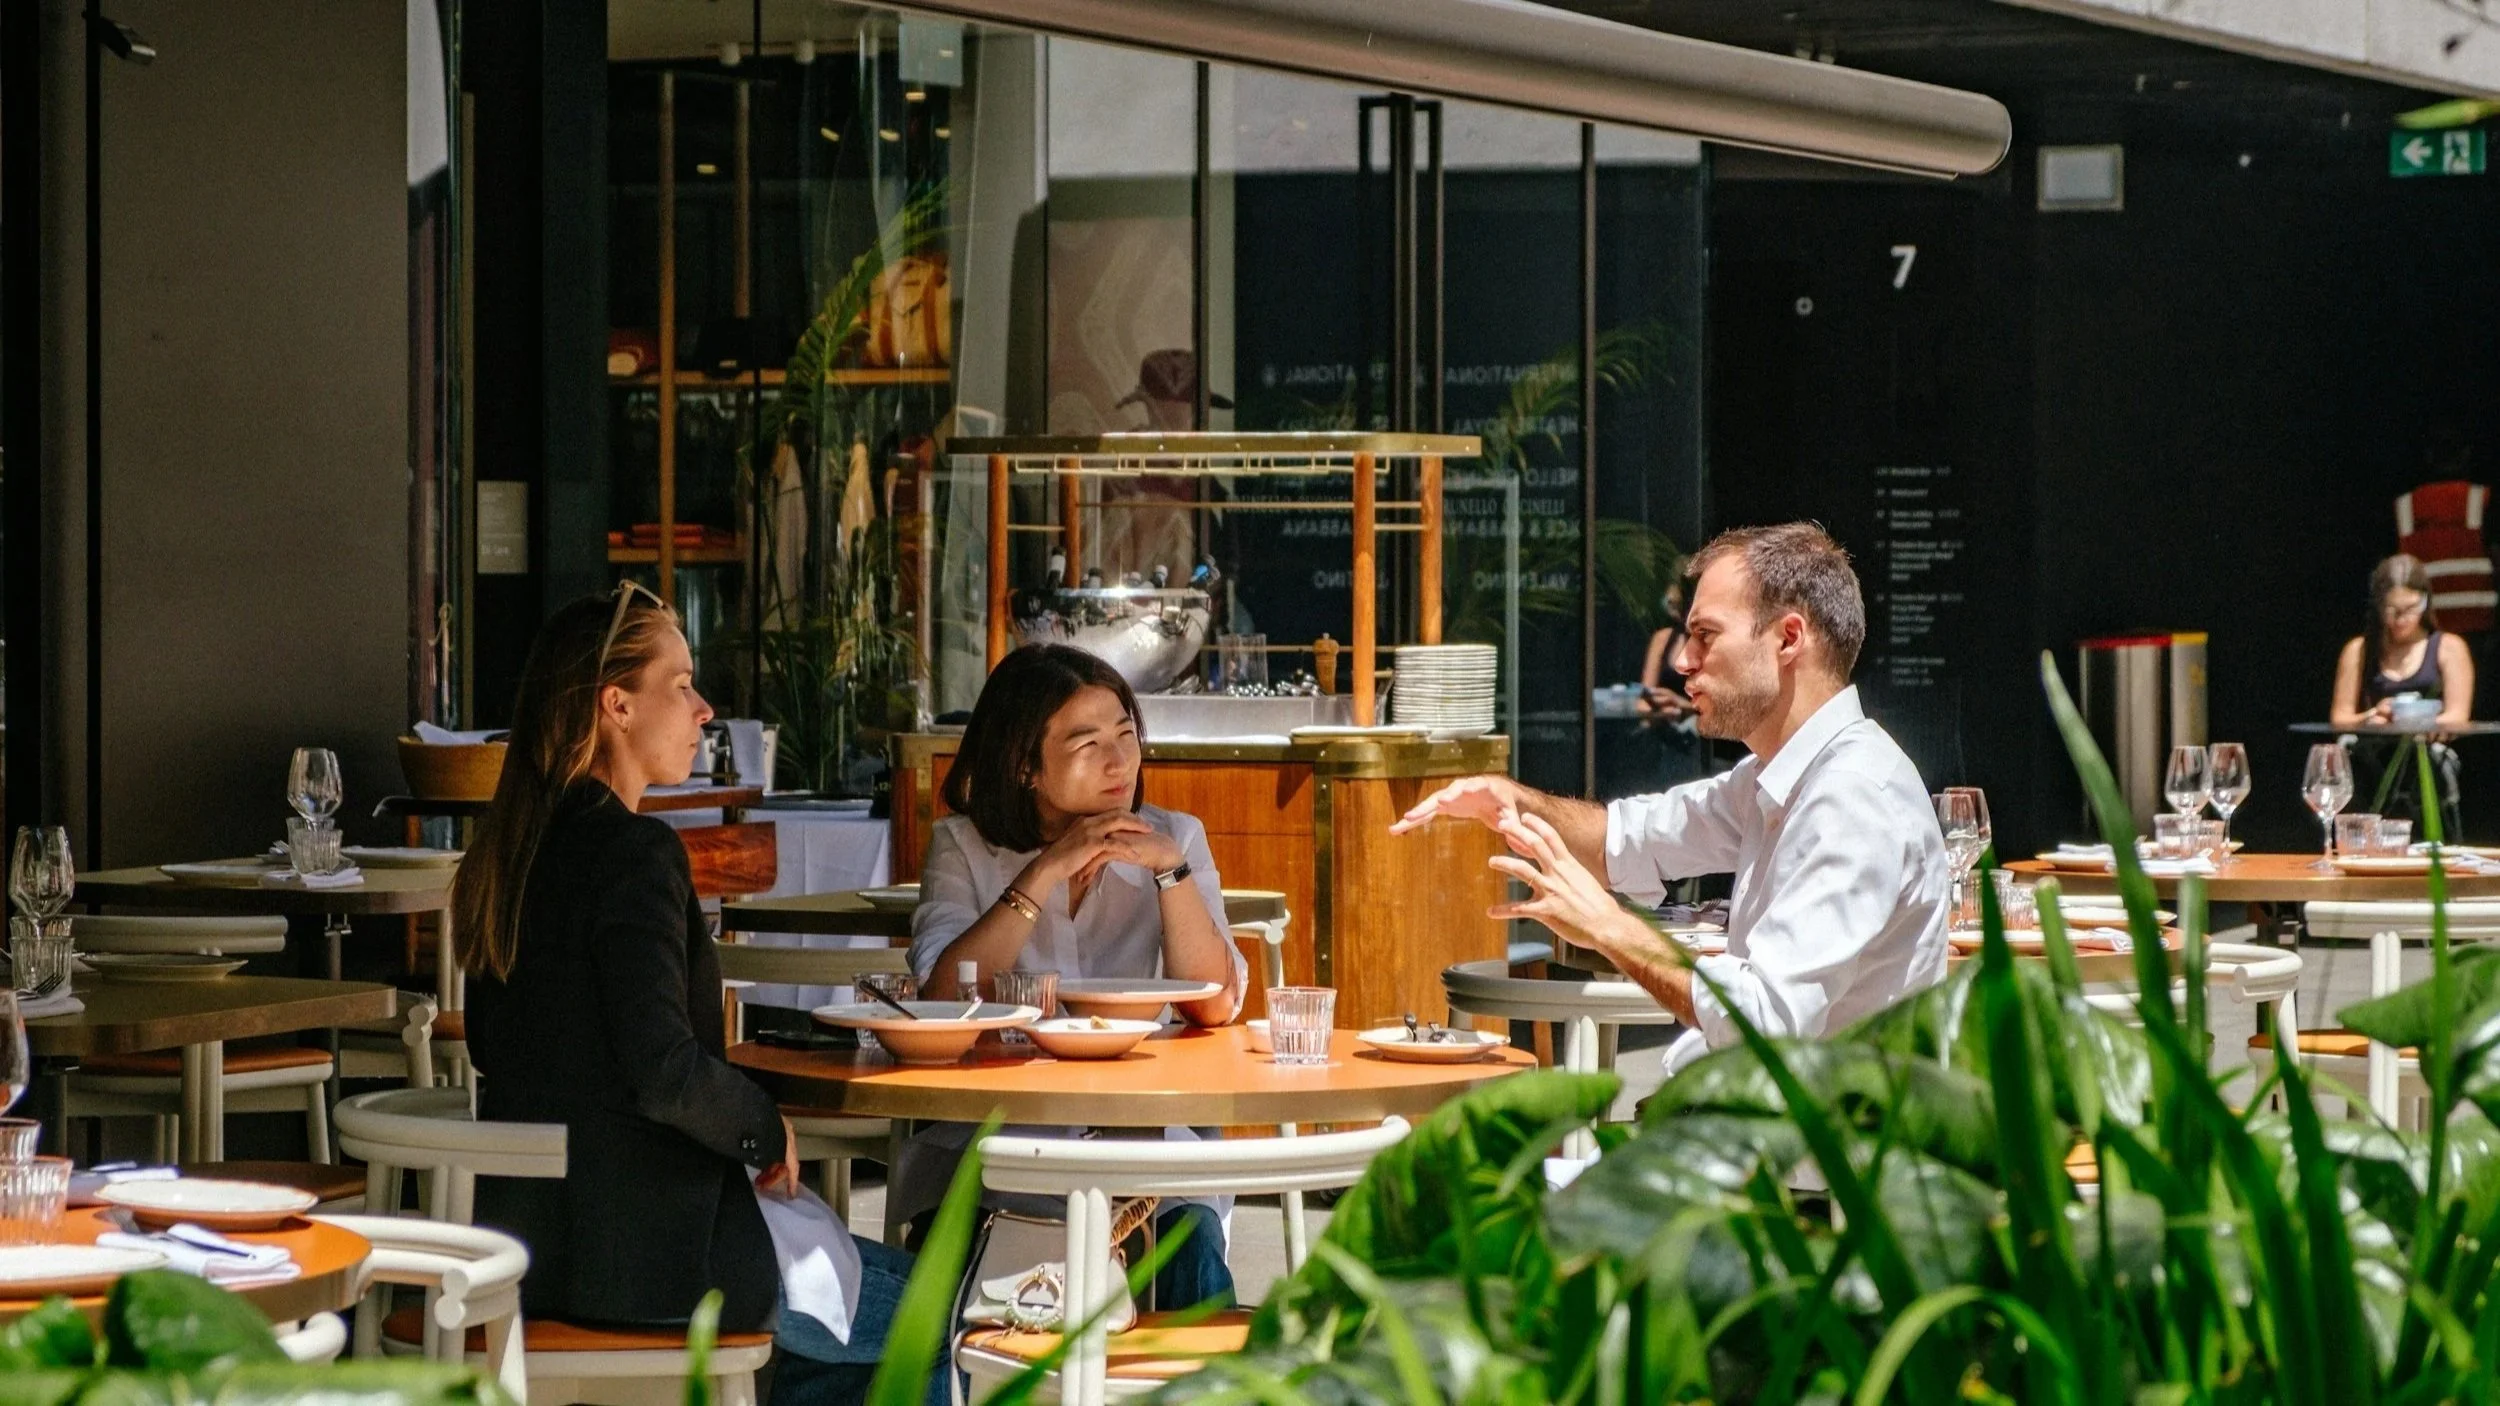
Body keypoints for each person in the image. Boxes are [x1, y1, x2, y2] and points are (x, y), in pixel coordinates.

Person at [456, 582, 922, 1406]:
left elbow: (500, 1047)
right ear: (616, 706)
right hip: (654, 1265)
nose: (704, 709)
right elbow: (663, 1070)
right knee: (960, 1313)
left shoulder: (513, 854)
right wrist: (762, 1127)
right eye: (680, 685)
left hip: (530, 1254)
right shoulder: (634, 852)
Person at [1391, 522, 1950, 1072]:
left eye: (1706, 635)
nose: (1683, 660)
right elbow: (1630, 838)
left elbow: (1762, 1018)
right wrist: (1514, 800)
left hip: (1825, 1131)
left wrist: (1609, 927)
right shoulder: (1781, 776)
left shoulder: (1851, 798)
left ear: (1787, 638)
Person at [906, 643, 1247, 1309]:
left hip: (1147, 1144)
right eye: (1088, 743)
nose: (1119, 762)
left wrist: (1171, 872)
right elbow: (942, 999)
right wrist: (1045, 872)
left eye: (1126, 735)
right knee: (964, 1292)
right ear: (1024, 764)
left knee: (1192, 1252)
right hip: (999, 1145)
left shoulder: (1174, 837)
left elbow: (1216, 1004)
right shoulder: (965, 846)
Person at [2331, 552, 2475, 732]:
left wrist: (2415, 723)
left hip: (2431, 744)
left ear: (2425, 602)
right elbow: (2340, 719)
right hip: (2373, 743)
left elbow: (2458, 716)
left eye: (2411, 608)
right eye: (2392, 610)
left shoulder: (2450, 648)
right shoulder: (2358, 650)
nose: (2401, 619)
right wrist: (2372, 715)